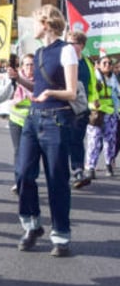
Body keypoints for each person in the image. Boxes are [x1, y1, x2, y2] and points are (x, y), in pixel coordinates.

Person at [16, 5, 77, 257]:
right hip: (33, 118)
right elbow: (37, 87)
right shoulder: (39, 53)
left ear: (47, 24)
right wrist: (18, 79)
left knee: (56, 179)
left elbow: (71, 92)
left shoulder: (67, 51)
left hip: (57, 119)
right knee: (22, 174)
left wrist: (50, 93)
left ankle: (61, 236)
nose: (33, 28)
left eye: (35, 23)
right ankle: (32, 225)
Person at [64, 31, 96, 188]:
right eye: (67, 43)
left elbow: (92, 85)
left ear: (81, 46)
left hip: (81, 109)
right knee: (62, 141)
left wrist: (92, 103)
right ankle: (61, 172)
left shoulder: (88, 63)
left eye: (72, 43)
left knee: (76, 140)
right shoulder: (63, 59)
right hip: (63, 106)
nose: (68, 46)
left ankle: (78, 171)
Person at [0, 53, 35, 191]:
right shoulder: (14, 79)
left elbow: (36, 92)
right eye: (27, 64)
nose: (30, 67)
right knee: (18, 151)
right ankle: (19, 180)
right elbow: (2, 94)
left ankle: (28, 178)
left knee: (30, 153)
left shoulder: (39, 81)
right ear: (22, 66)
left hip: (32, 121)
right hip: (15, 120)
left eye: (32, 64)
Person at [84, 55, 118, 179]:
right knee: (93, 141)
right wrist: (93, 104)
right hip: (96, 113)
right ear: (98, 64)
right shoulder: (94, 78)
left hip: (111, 113)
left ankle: (109, 164)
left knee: (110, 141)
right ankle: (90, 168)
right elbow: (88, 94)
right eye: (104, 63)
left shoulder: (114, 79)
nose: (107, 65)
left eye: (109, 63)